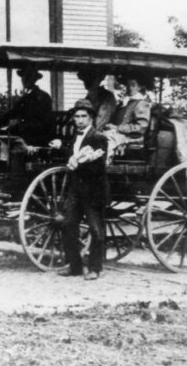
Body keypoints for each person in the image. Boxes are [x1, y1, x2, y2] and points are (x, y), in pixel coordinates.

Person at [59, 99, 108, 280]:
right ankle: (75, 266)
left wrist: (78, 164)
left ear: (91, 118)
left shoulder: (99, 138)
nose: (79, 120)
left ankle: (95, 268)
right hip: (76, 190)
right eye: (77, 116)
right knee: (67, 225)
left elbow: (99, 166)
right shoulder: (74, 136)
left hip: (94, 189)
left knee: (96, 230)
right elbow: (69, 156)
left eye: (83, 116)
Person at [0, 68, 53, 146]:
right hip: (26, 129)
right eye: (23, 78)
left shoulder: (42, 96)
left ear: (34, 80)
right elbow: (12, 113)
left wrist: (20, 122)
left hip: (38, 132)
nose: (25, 80)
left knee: (2, 136)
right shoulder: (25, 97)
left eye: (28, 78)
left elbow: (42, 120)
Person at [102, 74, 152, 162]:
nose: (130, 88)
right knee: (99, 136)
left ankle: (105, 165)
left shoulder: (141, 103)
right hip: (120, 133)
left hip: (133, 137)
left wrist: (117, 128)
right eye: (128, 85)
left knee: (107, 139)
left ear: (139, 87)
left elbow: (140, 127)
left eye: (133, 85)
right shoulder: (127, 101)